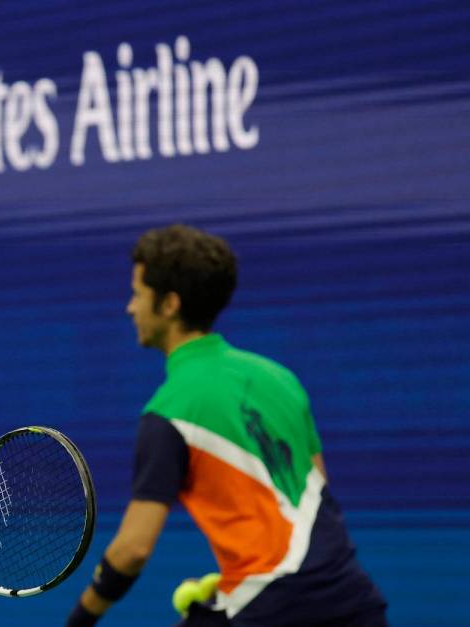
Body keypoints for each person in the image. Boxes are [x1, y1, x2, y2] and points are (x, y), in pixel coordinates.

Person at [66, 225, 388, 626]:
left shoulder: (169, 412)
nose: (130, 308)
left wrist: (81, 617)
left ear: (169, 304)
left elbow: (132, 549)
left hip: (273, 609)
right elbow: (313, 493)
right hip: (354, 602)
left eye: (137, 294)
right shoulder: (281, 378)